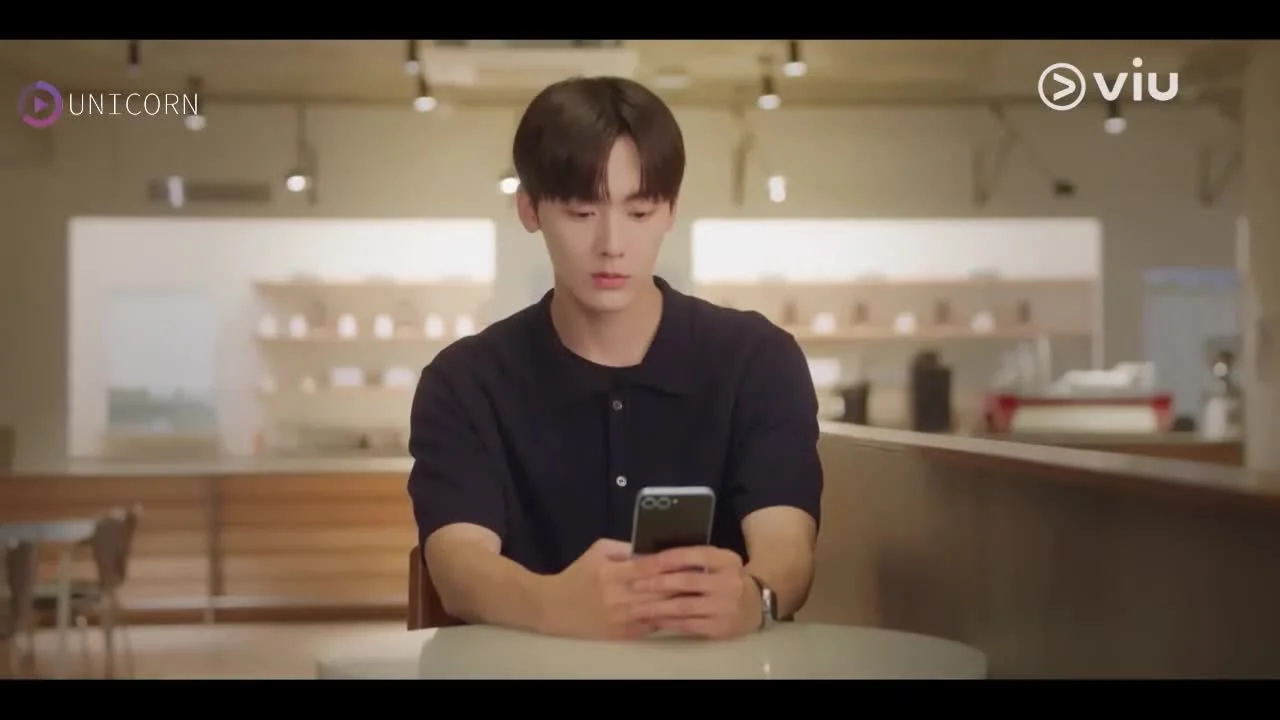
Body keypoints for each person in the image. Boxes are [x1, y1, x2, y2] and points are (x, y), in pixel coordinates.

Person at [408, 76, 822, 642]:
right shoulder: (465, 382)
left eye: (640, 212)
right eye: (581, 213)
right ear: (529, 209)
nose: (612, 245)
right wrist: (556, 605)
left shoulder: (757, 360)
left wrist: (755, 598)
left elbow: (788, 546)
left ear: (671, 210)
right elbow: (458, 565)